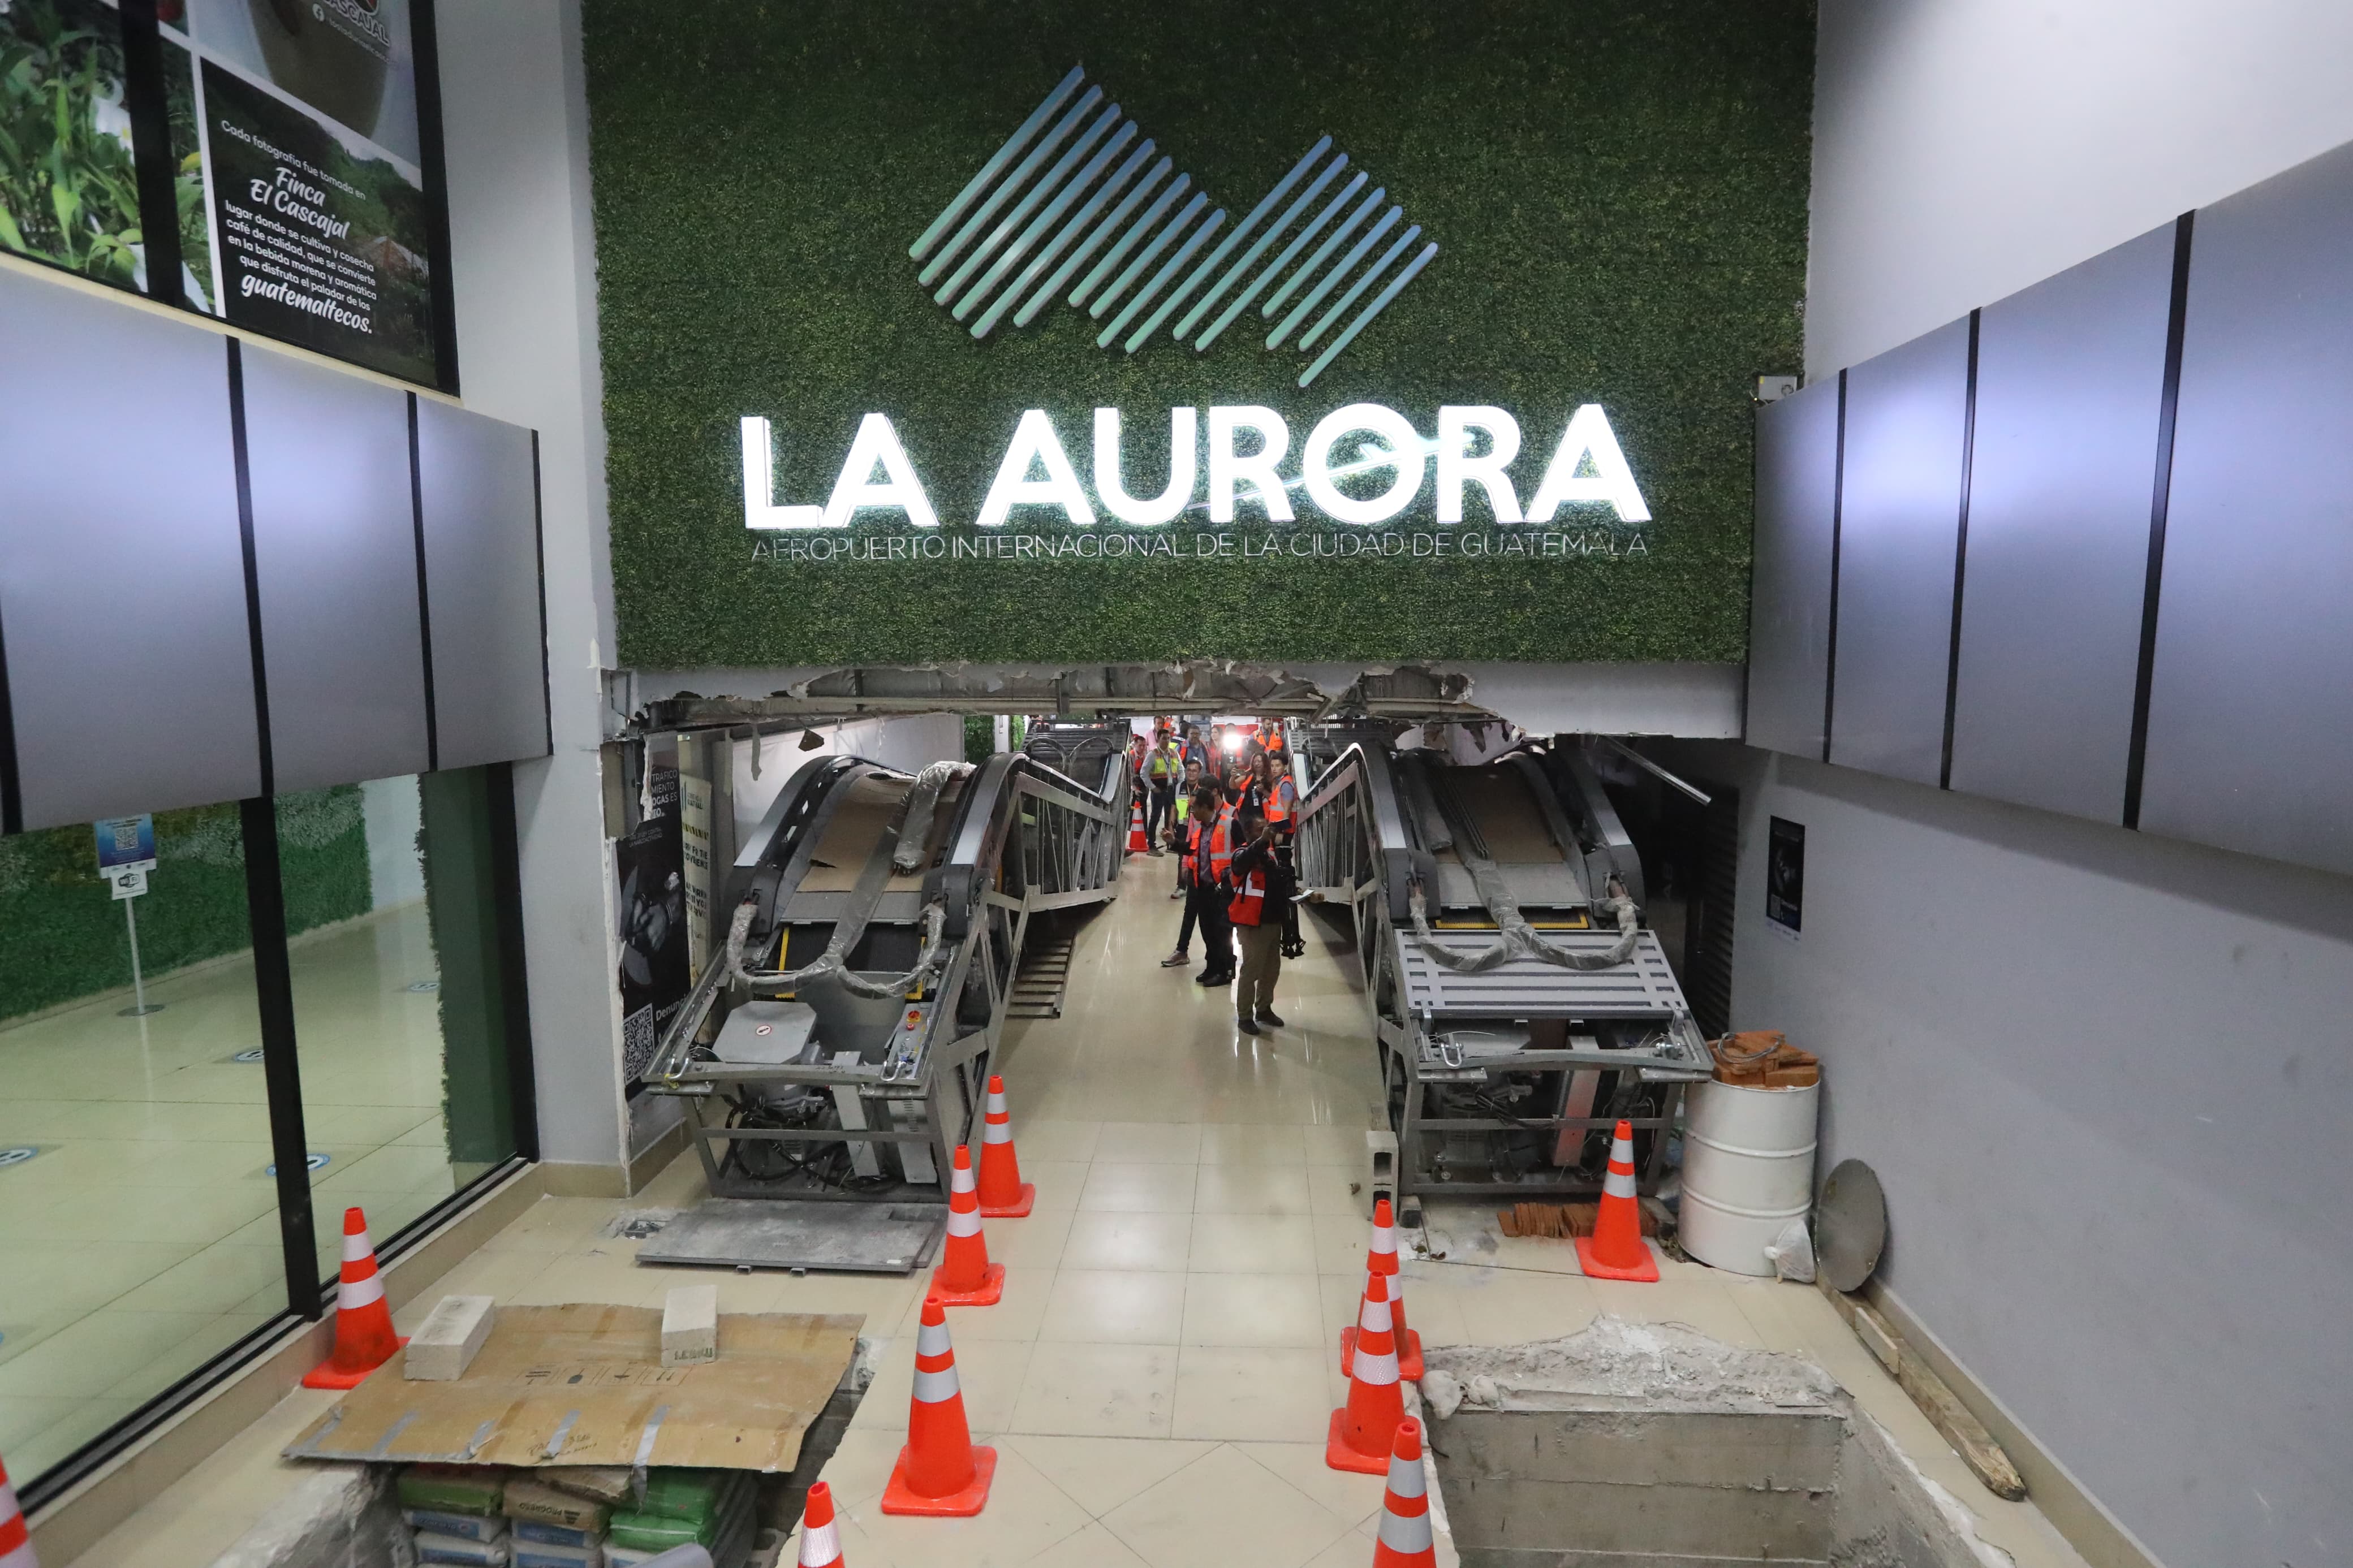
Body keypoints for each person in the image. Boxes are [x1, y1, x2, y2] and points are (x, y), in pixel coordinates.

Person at [1226, 805, 1293, 1033]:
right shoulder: (1242, 855)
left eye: (1268, 829)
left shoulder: (1271, 855)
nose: (1267, 833)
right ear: (1249, 833)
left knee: (1271, 969)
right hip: (1253, 923)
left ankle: (1264, 1009)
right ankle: (1245, 1016)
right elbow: (1243, 861)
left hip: (1273, 921)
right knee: (1252, 970)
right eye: (1260, 829)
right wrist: (1262, 841)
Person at [1163, 784, 1233, 977]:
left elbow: (1241, 852)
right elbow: (1192, 849)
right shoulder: (1200, 829)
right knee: (1208, 932)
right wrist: (1174, 843)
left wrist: (1229, 881)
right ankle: (1212, 968)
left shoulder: (1228, 824)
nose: (1192, 812)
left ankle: (1225, 970)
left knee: (1221, 933)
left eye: (1194, 808)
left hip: (1220, 890)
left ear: (1205, 807)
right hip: (1203, 888)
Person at [1143, 727, 1183, 852]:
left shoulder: (1174, 753)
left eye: (1168, 738)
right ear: (1158, 739)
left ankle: (1170, 845)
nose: (1166, 741)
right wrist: (1153, 788)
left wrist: (1180, 785)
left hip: (1172, 790)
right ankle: (1152, 845)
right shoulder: (1152, 755)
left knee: (1170, 819)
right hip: (1159, 791)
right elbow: (1143, 773)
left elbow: (1181, 770)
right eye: (1164, 738)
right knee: (1155, 817)